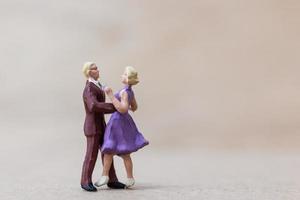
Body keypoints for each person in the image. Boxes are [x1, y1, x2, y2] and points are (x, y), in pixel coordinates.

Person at [95, 66, 149, 188]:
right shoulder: (130, 92)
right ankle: (129, 178)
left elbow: (123, 109)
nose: (122, 75)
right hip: (123, 122)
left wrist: (111, 96)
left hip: (118, 123)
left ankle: (105, 176)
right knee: (123, 153)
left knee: (109, 151)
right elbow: (134, 107)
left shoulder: (124, 92)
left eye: (124, 74)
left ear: (129, 79)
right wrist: (127, 106)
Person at [81, 62, 126, 191]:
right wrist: (113, 107)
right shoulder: (89, 88)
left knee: (108, 152)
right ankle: (85, 181)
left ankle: (112, 179)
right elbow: (93, 106)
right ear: (89, 72)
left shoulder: (98, 85)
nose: (98, 70)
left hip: (101, 125)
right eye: (95, 69)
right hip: (93, 128)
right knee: (91, 155)